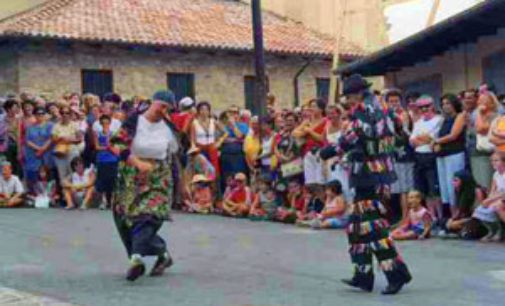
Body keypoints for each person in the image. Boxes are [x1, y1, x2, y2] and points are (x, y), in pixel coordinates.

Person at [324, 74, 412, 295]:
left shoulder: (365, 111)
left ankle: (396, 273)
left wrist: (330, 150)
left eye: (349, 96)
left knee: (373, 227)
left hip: (370, 175)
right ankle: (363, 275)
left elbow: (353, 136)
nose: (348, 101)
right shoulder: (385, 110)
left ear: (356, 94)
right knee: (356, 226)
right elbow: (401, 136)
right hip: (375, 173)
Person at [111, 90, 178, 281]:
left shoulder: (168, 127)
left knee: (148, 216)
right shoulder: (134, 121)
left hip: (158, 177)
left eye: (168, 108)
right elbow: (117, 144)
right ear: (152, 103)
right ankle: (162, 254)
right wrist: (136, 162)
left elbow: (177, 152)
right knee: (127, 221)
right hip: (131, 176)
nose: (163, 111)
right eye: (161, 106)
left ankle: (136, 259)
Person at [410, 95, 443, 227]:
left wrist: (422, 139)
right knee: (423, 191)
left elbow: (431, 138)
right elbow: (412, 142)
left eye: (427, 106)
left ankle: (440, 218)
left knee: (434, 190)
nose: (424, 109)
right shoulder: (418, 122)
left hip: (431, 157)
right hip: (418, 157)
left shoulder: (439, 120)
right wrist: (423, 139)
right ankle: (431, 218)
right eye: (421, 107)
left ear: (432, 106)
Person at [433, 94, 466, 217]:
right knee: (445, 188)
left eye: (448, 103)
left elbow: (453, 135)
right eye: (443, 104)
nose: (445, 106)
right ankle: (452, 217)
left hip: (455, 154)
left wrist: (436, 141)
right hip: (442, 156)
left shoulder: (460, 116)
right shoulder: (443, 119)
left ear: (454, 103)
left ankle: (458, 217)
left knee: (453, 186)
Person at [386, 90, 415, 222]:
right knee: (397, 189)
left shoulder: (404, 115)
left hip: (405, 154)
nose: (394, 104)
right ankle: (401, 217)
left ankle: (406, 217)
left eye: (396, 101)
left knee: (405, 188)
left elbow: (406, 133)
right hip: (392, 155)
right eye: (391, 102)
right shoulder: (386, 116)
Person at [324, 104, 353, 203]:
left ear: (339, 114)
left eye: (332, 113)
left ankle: (349, 206)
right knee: (333, 187)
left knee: (346, 185)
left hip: (344, 160)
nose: (330, 116)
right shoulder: (326, 127)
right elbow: (325, 145)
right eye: (328, 114)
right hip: (331, 161)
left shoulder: (345, 125)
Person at [24, 107, 54, 195]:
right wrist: (38, 148)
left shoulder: (50, 125)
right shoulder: (30, 127)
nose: (40, 116)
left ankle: (49, 195)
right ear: (34, 115)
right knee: (33, 174)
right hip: (33, 154)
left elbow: (51, 138)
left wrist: (42, 149)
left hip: (47, 154)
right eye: (38, 114)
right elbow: (28, 141)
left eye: (42, 114)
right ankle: (35, 195)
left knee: (47, 173)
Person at [473, 91, 499, 188]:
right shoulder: (479, 116)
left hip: (490, 153)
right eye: (479, 100)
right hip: (479, 152)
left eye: (483, 100)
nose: (480, 102)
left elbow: (481, 129)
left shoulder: (495, 116)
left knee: (489, 183)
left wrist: (479, 113)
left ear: (492, 103)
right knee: (480, 185)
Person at [94, 114, 119, 210]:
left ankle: (111, 201)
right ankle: (103, 201)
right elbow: (97, 147)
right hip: (102, 159)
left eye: (107, 123)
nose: (105, 124)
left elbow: (115, 146)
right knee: (102, 180)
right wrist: (106, 147)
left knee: (112, 180)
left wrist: (108, 147)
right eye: (103, 123)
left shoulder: (113, 134)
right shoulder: (98, 133)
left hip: (112, 159)